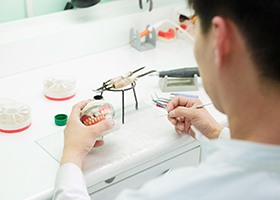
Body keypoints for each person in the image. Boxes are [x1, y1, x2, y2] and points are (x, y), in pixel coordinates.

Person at [53, 0, 280, 199]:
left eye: (196, 23)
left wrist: (71, 156)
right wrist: (215, 133)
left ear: (220, 41)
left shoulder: (177, 193)